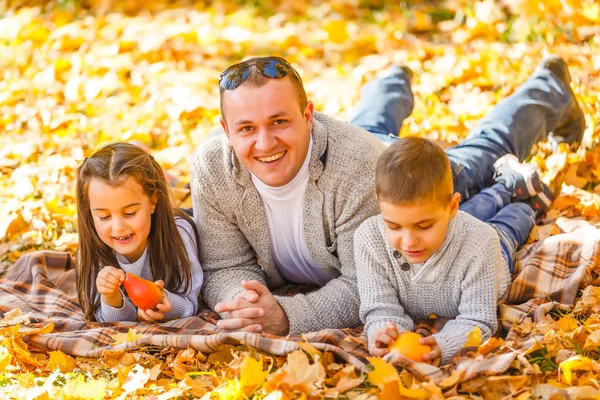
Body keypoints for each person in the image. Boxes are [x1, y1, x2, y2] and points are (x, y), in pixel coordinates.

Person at [191, 55, 584, 336]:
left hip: (399, 177)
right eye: (246, 129)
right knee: (365, 128)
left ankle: (550, 88)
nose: (264, 142)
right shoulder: (213, 167)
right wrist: (244, 305)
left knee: (482, 151)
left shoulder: (358, 165)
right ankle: (391, 82)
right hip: (356, 144)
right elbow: (223, 265)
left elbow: (370, 281)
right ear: (226, 131)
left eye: (280, 121)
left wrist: (287, 314)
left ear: (308, 117)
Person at [356, 137, 548, 365]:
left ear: (452, 207)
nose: (409, 242)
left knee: (509, 224)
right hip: (455, 227)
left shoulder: (481, 241)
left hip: (498, 254)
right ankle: (506, 184)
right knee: (477, 208)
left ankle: (527, 201)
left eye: (424, 226)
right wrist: (385, 331)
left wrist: (446, 344)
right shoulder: (369, 238)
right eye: (394, 226)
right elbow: (380, 308)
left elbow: (479, 320)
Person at [76, 142, 203, 323]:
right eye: (104, 216)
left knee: (184, 190)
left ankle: (170, 178)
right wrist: (111, 298)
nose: (118, 227)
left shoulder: (180, 234)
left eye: (130, 213)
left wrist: (166, 304)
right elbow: (106, 321)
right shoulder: (92, 251)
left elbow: (191, 302)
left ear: (153, 202)